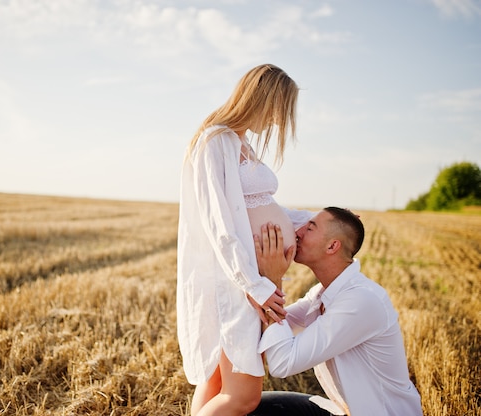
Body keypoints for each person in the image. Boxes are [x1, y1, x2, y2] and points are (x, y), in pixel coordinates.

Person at [177, 63, 313, 416]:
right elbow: (218, 223)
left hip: (245, 280)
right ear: (263, 99)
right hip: (234, 284)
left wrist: (320, 218)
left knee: (217, 385)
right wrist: (254, 285)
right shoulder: (215, 141)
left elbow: (262, 206)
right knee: (243, 397)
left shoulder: (241, 144)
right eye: (280, 111)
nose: (280, 122)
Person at [249, 207, 423, 416]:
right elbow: (276, 323)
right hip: (343, 411)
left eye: (310, 228)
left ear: (332, 246)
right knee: (250, 406)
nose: (298, 232)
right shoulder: (323, 293)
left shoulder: (361, 301)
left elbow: (282, 363)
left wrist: (272, 281)